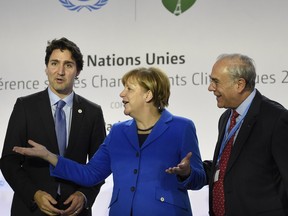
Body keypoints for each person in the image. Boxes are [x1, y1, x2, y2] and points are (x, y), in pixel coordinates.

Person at [13, 67, 207, 216]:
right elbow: (90, 174)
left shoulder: (181, 128)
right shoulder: (117, 132)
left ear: (148, 95)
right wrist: (50, 156)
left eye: (129, 89)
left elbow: (199, 178)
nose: (122, 94)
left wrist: (187, 173)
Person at [1, 37, 106, 216]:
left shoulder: (92, 112)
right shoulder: (25, 107)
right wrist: (34, 194)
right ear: (46, 68)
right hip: (31, 209)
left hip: (74, 211)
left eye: (68, 65)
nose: (60, 71)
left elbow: (100, 167)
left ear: (78, 71)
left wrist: (84, 195)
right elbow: (9, 161)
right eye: (54, 63)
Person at [203, 53, 288, 216]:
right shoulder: (226, 118)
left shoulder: (277, 119)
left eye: (216, 81)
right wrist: (191, 171)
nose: (210, 87)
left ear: (239, 84)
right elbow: (229, 165)